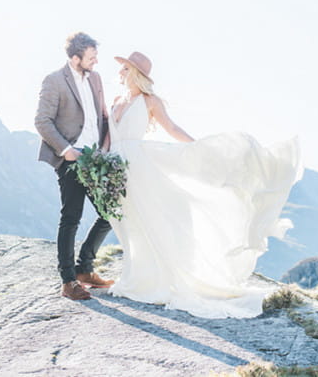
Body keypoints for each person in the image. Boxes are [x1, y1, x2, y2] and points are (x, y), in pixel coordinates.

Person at [107, 51, 303, 318]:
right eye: (121, 69)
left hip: (139, 166)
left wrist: (198, 148)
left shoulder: (150, 101)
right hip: (114, 168)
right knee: (128, 223)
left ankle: (155, 281)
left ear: (136, 74)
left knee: (148, 220)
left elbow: (172, 128)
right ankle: (136, 275)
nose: (120, 73)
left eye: (125, 68)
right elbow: (107, 138)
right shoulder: (117, 101)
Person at [35, 32, 115, 301]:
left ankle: (85, 269)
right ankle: (68, 281)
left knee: (109, 212)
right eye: (91, 57)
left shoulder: (96, 78)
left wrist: (105, 148)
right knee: (71, 217)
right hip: (69, 158)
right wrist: (66, 151)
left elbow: (101, 116)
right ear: (75, 57)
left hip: (95, 159)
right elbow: (42, 121)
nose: (96, 61)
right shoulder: (54, 81)